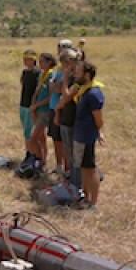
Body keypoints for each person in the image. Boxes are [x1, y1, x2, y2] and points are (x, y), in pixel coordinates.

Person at [73, 61, 105, 209]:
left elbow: (98, 119)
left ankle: (94, 203)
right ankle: (85, 197)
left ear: (86, 74)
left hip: (87, 137)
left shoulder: (93, 93)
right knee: (84, 168)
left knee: (91, 169)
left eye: (78, 72)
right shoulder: (83, 90)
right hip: (80, 135)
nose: (75, 74)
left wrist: (98, 132)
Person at [55, 49, 81, 187]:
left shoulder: (77, 78)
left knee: (74, 153)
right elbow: (57, 91)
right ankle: (71, 179)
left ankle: (76, 184)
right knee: (67, 150)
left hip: (73, 119)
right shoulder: (71, 76)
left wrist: (65, 78)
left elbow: (65, 95)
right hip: (65, 117)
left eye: (65, 62)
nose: (63, 66)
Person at [29, 53, 56, 171]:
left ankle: (39, 160)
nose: (40, 64)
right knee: (40, 137)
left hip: (45, 110)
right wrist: (33, 105)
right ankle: (44, 160)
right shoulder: (42, 74)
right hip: (37, 109)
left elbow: (51, 96)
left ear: (49, 62)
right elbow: (37, 91)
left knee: (33, 138)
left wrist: (37, 105)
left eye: (42, 61)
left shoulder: (51, 75)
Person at [49, 50, 68, 175]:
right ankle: (59, 165)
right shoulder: (57, 71)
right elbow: (52, 89)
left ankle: (68, 168)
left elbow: (59, 89)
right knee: (56, 139)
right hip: (53, 106)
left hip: (64, 109)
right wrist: (55, 86)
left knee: (66, 140)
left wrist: (56, 86)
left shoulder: (70, 73)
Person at [19, 49, 40, 163]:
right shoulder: (25, 72)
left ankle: (33, 155)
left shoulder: (38, 73)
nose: (26, 61)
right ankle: (29, 153)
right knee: (26, 131)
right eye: (24, 59)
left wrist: (35, 105)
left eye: (28, 59)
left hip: (31, 106)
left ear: (34, 60)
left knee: (30, 132)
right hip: (23, 104)